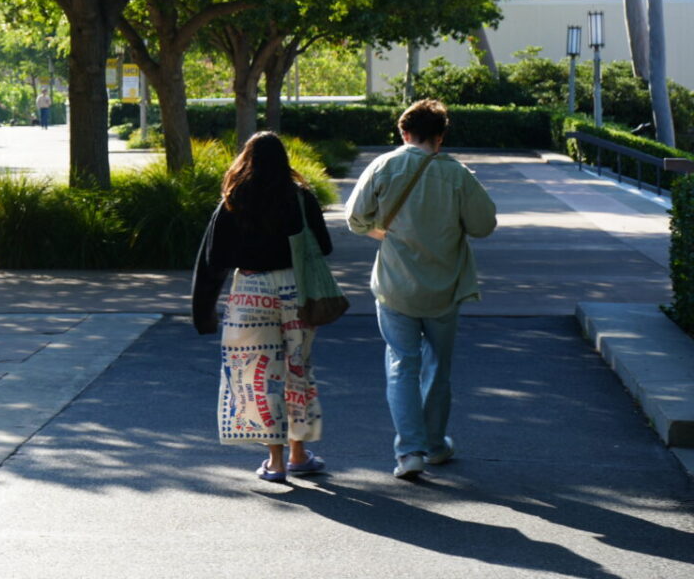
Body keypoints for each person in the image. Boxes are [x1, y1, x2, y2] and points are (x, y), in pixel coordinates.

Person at [346, 98, 498, 480]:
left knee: (402, 365)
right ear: (440, 137)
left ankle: (409, 452)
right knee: (437, 368)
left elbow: (354, 218)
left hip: (394, 285)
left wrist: (382, 232)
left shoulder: (384, 165)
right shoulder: (457, 175)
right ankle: (435, 445)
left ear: (404, 132)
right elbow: (484, 225)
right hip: (445, 286)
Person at [192, 132, 333, 483]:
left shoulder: (234, 200)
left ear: (247, 160)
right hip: (295, 289)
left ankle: (275, 462)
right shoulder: (300, 197)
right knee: (296, 369)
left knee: (257, 375)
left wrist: (204, 312)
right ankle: (299, 454)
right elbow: (324, 246)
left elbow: (213, 260)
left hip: (250, 293)